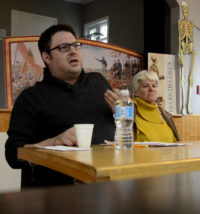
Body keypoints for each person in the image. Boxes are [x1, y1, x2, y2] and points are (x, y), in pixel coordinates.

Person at [5, 24, 119, 188]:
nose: (73, 51)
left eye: (75, 45)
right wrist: (52, 143)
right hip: (57, 196)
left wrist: (122, 113)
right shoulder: (30, 98)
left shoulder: (99, 81)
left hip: (108, 186)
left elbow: (125, 130)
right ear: (47, 57)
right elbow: (12, 154)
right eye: (64, 47)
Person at [131, 70, 180, 142]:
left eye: (154, 86)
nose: (151, 89)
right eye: (145, 86)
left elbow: (175, 142)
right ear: (135, 92)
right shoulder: (129, 113)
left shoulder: (166, 115)